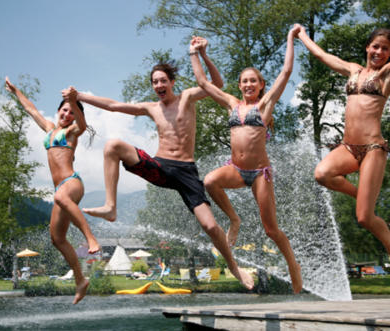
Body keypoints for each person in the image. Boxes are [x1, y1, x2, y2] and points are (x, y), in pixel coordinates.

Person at [69, 41, 254, 290]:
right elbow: (113, 105)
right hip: (161, 167)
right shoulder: (151, 108)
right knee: (112, 145)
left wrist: (202, 54)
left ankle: (235, 268)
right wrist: (79, 96)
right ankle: (111, 206)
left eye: (162, 81)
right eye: (155, 82)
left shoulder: (188, 97)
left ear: (172, 82)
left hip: (186, 171)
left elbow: (217, 84)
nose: (158, 86)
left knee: (210, 225)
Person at [294, 6, 390, 270]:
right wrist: (302, 36)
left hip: (373, 148)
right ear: (367, 47)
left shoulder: (386, 75)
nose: (380, 52)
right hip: (347, 147)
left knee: (365, 218)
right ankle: (363, 196)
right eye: (376, 47)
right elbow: (322, 55)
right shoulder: (352, 70)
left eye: (385, 49)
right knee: (322, 174)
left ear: (389, 53)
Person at [190, 28, 302, 294]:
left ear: (261, 85)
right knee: (210, 180)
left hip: (260, 173)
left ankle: (293, 266)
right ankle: (234, 220)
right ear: (239, 85)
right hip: (236, 170)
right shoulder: (231, 104)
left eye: (254, 81)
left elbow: (285, 72)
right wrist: (197, 53)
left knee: (271, 230)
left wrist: (289, 38)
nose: (249, 84)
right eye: (245, 81)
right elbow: (204, 83)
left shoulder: (265, 105)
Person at [5, 77, 100, 304]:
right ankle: (80, 280)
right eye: (65, 111)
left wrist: (75, 101)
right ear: (58, 111)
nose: (67, 115)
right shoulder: (49, 129)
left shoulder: (72, 132)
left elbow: (84, 125)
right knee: (57, 238)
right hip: (60, 188)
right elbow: (31, 109)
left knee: (60, 196)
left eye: (71, 113)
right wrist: (16, 90)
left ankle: (91, 239)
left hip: (72, 182)